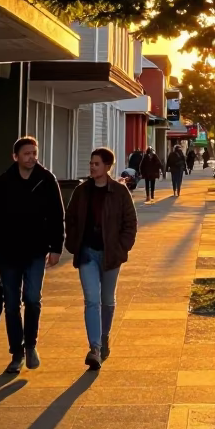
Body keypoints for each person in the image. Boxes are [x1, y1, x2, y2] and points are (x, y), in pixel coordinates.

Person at [0, 135, 64, 374]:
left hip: (37, 251)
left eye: (34, 153)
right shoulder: (3, 182)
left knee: (32, 299)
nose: (32, 157)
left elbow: (57, 216)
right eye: (27, 153)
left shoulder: (46, 180)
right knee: (11, 305)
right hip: (8, 252)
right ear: (15, 156)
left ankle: (31, 345)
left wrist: (57, 247)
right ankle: (16, 352)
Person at [64, 147, 138, 369]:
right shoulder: (81, 191)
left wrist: (121, 247)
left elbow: (130, 223)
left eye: (96, 164)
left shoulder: (119, 192)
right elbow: (71, 219)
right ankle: (94, 348)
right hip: (87, 253)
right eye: (91, 163)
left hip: (110, 254)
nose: (92, 167)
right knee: (91, 300)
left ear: (107, 167)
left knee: (107, 299)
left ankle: (104, 335)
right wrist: (73, 243)